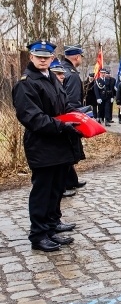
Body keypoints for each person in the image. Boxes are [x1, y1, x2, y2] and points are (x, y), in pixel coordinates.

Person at [12, 40, 83, 252]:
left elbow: (64, 104)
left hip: (59, 144)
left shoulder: (51, 78)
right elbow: (32, 117)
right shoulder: (26, 83)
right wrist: (62, 125)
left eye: (47, 57)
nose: (43, 60)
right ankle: (39, 234)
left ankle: (51, 227)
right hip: (42, 145)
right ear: (31, 57)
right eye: (38, 56)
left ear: (53, 58)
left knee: (56, 189)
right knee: (42, 192)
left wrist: (78, 115)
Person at [61, 44, 87, 191]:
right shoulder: (71, 74)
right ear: (77, 57)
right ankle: (65, 183)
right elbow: (72, 100)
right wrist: (77, 118)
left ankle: (71, 180)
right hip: (69, 116)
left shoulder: (62, 69)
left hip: (63, 117)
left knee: (68, 150)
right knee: (68, 150)